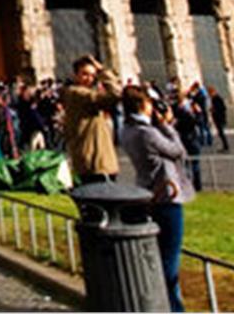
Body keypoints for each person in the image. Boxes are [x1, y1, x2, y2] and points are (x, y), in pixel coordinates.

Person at [120, 86, 194, 313]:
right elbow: (178, 151)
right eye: (151, 104)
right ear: (143, 105)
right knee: (169, 261)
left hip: (147, 194)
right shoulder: (148, 132)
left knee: (159, 256)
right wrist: (167, 125)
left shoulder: (126, 130)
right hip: (166, 196)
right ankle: (172, 308)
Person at [62, 55, 120, 182]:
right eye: (85, 74)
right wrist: (102, 71)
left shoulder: (83, 93)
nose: (90, 78)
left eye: (93, 75)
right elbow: (115, 94)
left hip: (97, 159)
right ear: (75, 75)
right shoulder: (77, 93)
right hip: (94, 162)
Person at [210, 87, 229, 152]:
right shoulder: (214, 98)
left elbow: (222, 108)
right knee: (221, 133)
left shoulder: (217, 98)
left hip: (219, 118)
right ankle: (225, 146)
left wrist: (214, 110)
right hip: (218, 118)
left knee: (221, 133)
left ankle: (226, 146)